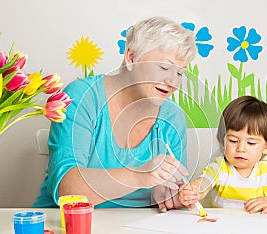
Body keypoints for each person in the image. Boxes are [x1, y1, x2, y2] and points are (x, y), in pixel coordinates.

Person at [33, 17, 197, 211]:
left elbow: (171, 188)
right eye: (164, 67)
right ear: (131, 57)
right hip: (64, 229)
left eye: (180, 73)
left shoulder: (172, 117)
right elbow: (68, 192)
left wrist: (167, 195)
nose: (172, 82)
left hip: (135, 232)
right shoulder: (82, 97)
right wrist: (139, 175)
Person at [179, 96, 267, 214]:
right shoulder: (219, 167)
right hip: (223, 226)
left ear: (266, 147)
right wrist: (192, 191)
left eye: (251, 143)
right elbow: (203, 184)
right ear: (222, 142)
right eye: (233, 141)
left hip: (257, 226)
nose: (240, 149)